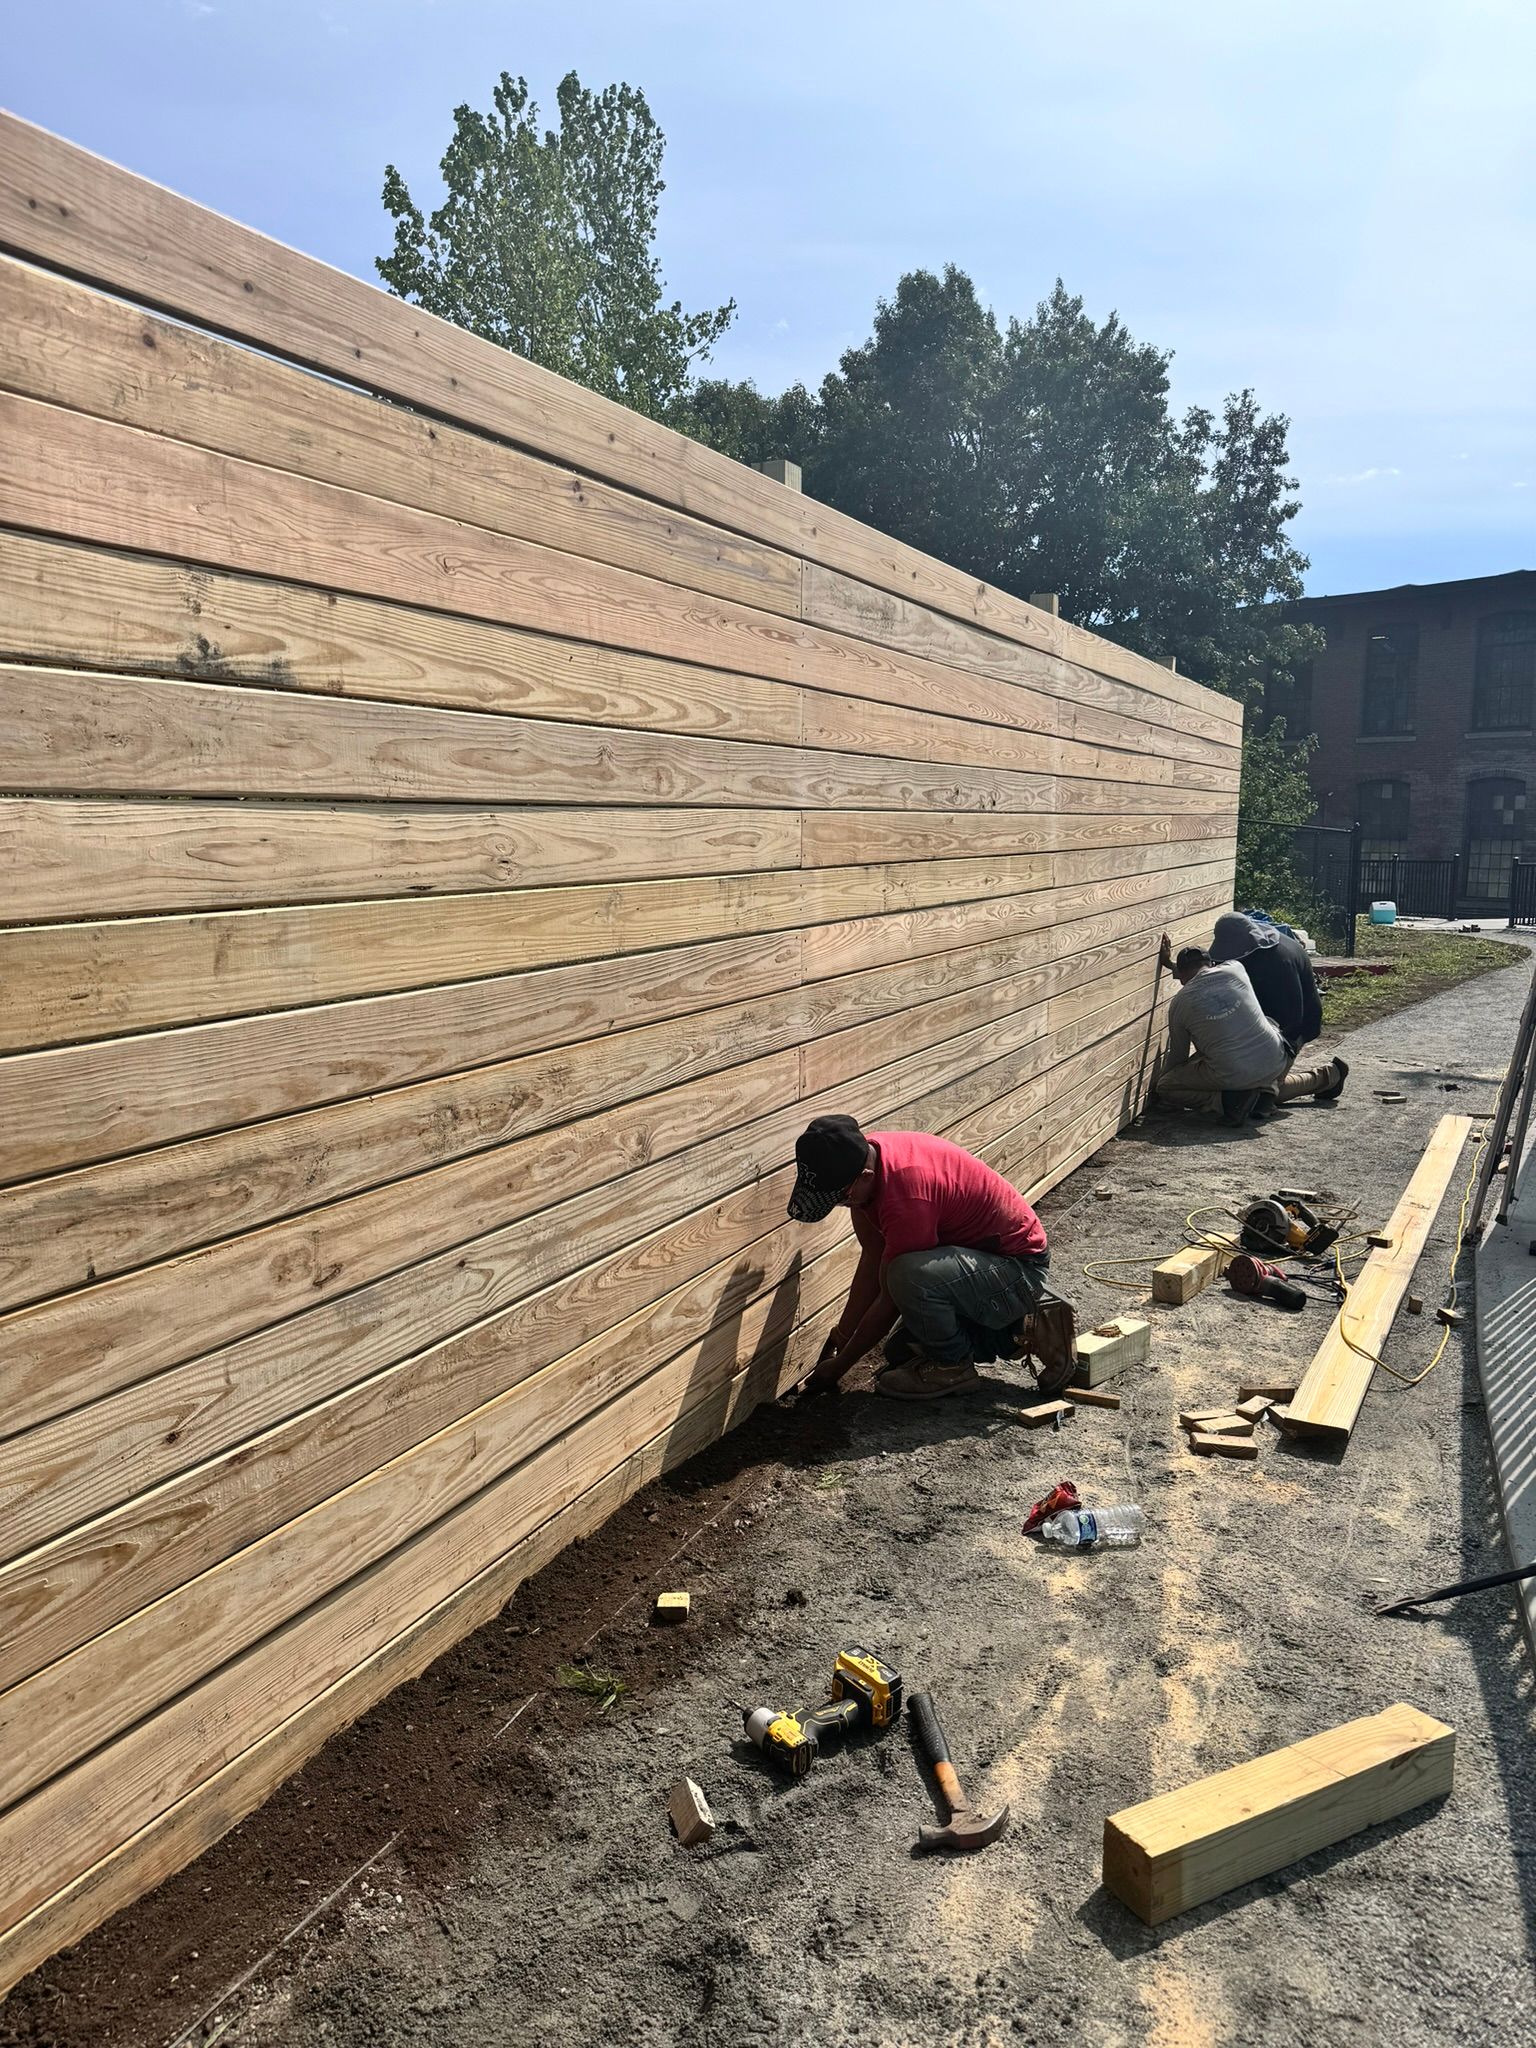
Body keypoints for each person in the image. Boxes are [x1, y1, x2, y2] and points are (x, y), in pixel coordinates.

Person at [786, 1114, 1071, 1401]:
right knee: (900, 1350)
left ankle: (954, 1365)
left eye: (841, 1199)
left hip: (1018, 1268)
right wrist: (842, 1336)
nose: (843, 1205)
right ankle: (1023, 1327)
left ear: (865, 1176)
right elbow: (873, 1259)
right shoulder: (862, 1159)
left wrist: (839, 1367)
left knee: (906, 1275)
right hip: (977, 1264)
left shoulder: (906, 1197)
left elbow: (890, 1298)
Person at [1156, 946, 1346, 1123]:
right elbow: (1202, 974)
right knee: (1259, 1090)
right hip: (1276, 1057)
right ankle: (1329, 1076)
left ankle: (1226, 1102)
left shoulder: (1179, 1004)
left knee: (1166, 1085)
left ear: (1181, 978)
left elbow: (1178, 1057)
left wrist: (1163, 1089)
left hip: (1235, 1072)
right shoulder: (1235, 969)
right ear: (1212, 964)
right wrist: (1172, 965)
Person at [1210, 912, 1324, 1052]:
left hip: (1302, 1022)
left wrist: (1284, 1047)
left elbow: (1292, 1015)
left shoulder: (1278, 961)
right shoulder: (1256, 951)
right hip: (1275, 1009)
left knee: (1262, 1058)